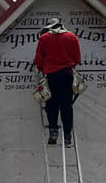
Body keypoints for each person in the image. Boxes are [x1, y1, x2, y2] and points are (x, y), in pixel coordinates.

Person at [34, 17, 81, 146]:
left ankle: (53, 132)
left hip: (51, 75)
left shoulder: (44, 38)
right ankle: (67, 136)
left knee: (51, 105)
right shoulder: (72, 37)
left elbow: (38, 61)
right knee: (66, 105)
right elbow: (77, 59)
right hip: (67, 74)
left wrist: (42, 68)